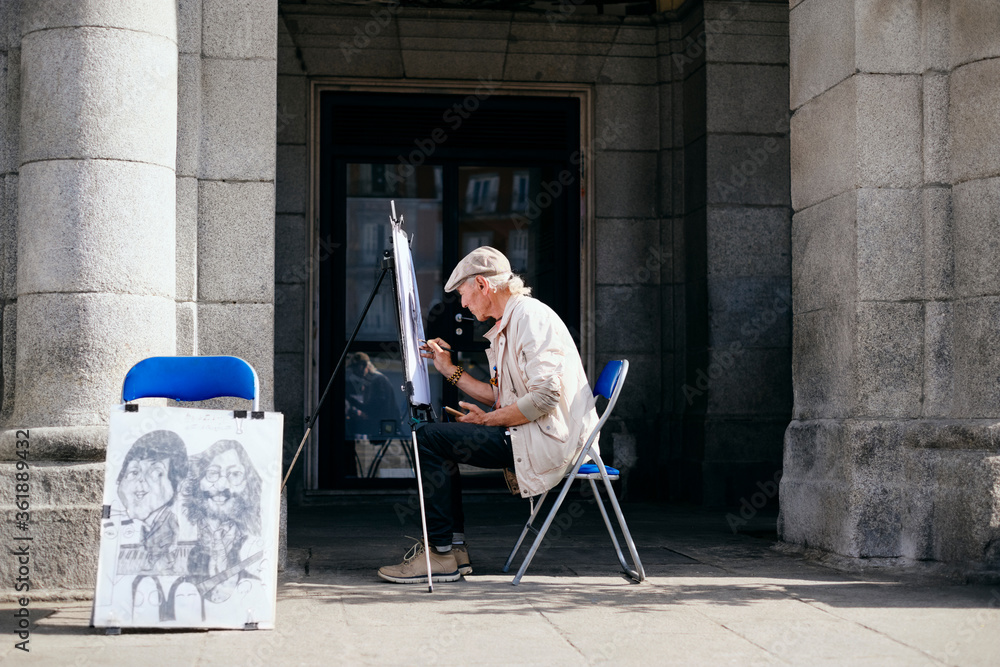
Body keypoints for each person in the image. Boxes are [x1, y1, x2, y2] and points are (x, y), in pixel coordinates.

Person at [377, 246, 600, 583]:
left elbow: (545, 397)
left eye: (463, 294)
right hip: (536, 432)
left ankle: (440, 553)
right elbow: (502, 395)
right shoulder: (511, 320)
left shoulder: (530, 318)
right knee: (439, 438)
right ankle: (453, 549)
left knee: (428, 438)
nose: (463, 304)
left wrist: (487, 420)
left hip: (552, 440)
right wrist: (449, 370)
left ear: (482, 285)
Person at [184, 439, 264, 603]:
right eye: (212, 473)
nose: (221, 485)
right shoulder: (183, 533)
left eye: (235, 474)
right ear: (199, 481)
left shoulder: (254, 541)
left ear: (247, 483)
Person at [116, 430, 189, 573]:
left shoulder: (170, 518)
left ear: (178, 484)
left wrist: (172, 548)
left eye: (156, 473)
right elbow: (143, 538)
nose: (141, 480)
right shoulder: (145, 524)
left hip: (165, 559)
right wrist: (143, 548)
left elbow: (175, 534)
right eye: (134, 472)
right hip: (151, 557)